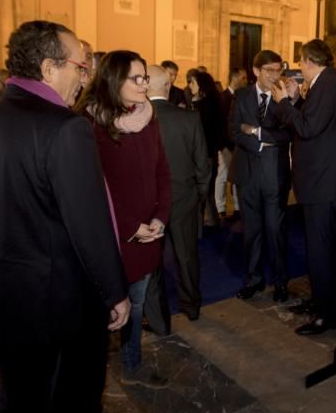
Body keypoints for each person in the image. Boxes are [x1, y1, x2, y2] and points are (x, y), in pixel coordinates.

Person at [0, 20, 130, 413]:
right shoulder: (65, 128)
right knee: (72, 406)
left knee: (20, 403)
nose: (86, 75)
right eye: (81, 64)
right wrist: (114, 292)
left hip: (3, 293)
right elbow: (88, 225)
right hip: (59, 304)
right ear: (48, 66)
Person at [76, 51, 171, 388]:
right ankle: (91, 383)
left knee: (139, 300)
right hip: (111, 236)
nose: (144, 83)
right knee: (103, 310)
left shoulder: (150, 116)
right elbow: (94, 188)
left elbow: (162, 170)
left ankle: (133, 363)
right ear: (114, 80)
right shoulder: (89, 124)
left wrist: (160, 217)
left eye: (146, 77)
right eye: (137, 78)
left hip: (148, 232)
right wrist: (132, 227)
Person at [271, 39, 336, 335]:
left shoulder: (327, 85)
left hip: (325, 184)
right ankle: (319, 301)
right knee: (317, 249)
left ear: (308, 61)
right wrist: (295, 101)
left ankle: (327, 315)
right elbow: (312, 120)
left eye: (301, 64)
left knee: (321, 251)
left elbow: (306, 128)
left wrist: (282, 102)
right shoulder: (327, 83)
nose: (300, 71)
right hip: (322, 182)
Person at [147, 65, 209, 322]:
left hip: (150, 202)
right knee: (187, 257)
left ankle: (157, 315)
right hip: (185, 198)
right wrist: (200, 198)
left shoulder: (136, 119)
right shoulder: (189, 118)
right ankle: (191, 307)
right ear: (168, 86)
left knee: (152, 262)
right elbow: (203, 166)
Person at [231, 50, 294, 302]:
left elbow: (289, 134)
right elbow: (233, 130)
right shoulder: (241, 96)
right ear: (256, 71)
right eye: (269, 70)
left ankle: (280, 281)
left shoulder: (283, 98)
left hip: (274, 175)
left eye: (278, 70)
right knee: (251, 231)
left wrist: (256, 132)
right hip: (247, 174)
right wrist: (259, 144)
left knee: (275, 230)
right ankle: (254, 279)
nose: (274, 75)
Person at [187, 70, 227, 226]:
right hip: (210, 154)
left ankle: (202, 226)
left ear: (201, 85)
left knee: (201, 192)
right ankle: (212, 222)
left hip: (203, 155)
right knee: (208, 192)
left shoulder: (202, 106)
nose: (189, 85)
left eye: (192, 82)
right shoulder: (212, 102)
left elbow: (199, 131)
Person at [217, 66, 247, 219]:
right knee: (223, 176)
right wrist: (223, 146)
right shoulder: (223, 97)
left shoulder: (243, 96)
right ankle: (220, 207)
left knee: (237, 176)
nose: (245, 81)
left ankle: (236, 206)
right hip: (226, 145)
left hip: (238, 144)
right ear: (234, 77)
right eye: (243, 78)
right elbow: (220, 124)